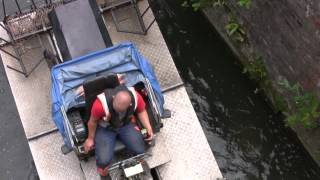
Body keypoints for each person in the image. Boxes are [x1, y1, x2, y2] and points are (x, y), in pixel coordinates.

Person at [83, 83, 154, 178]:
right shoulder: (100, 105)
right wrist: (90, 139)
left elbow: (141, 111)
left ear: (130, 104)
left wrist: (148, 127)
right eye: (116, 109)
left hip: (125, 124)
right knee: (103, 160)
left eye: (120, 111)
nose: (117, 112)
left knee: (140, 149)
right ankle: (103, 172)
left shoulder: (136, 97)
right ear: (113, 98)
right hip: (106, 127)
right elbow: (92, 122)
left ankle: (135, 158)